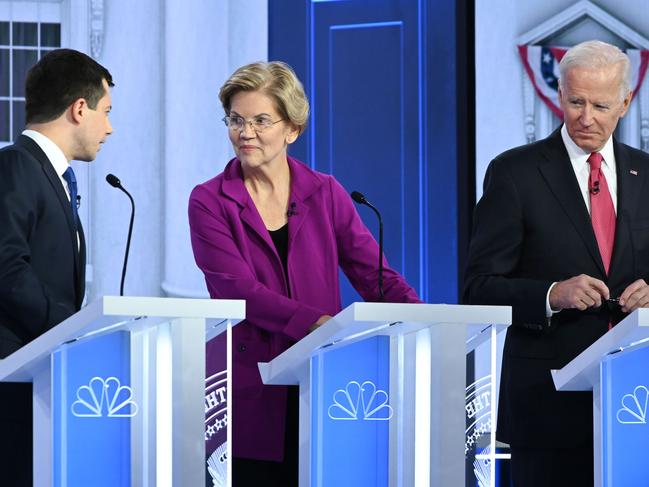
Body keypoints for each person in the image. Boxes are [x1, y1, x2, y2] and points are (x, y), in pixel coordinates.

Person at [189, 61, 420, 486]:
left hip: (325, 381)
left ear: (292, 129)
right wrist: (315, 323)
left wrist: (427, 322)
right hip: (248, 389)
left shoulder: (325, 192)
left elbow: (374, 275)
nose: (245, 132)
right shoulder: (209, 201)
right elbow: (236, 290)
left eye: (261, 121)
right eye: (236, 120)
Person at [464, 39, 649, 486]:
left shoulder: (646, 174)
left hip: (637, 404)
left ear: (625, 102)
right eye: (575, 101)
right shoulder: (514, 172)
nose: (586, 117)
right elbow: (478, 286)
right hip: (546, 408)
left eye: (601, 105)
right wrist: (551, 294)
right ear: (559, 95)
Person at [0, 48, 114, 485]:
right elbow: (7, 268)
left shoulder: (51, 175)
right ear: (78, 109)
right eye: (105, 112)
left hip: (41, 386)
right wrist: (71, 334)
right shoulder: (15, 165)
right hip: (13, 387)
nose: (109, 127)